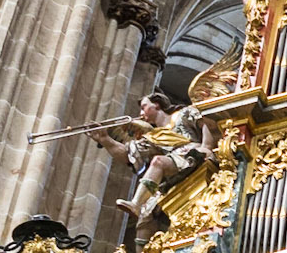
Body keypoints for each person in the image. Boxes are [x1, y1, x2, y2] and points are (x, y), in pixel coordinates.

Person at [89, 91, 217, 223]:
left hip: (191, 154)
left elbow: (206, 121)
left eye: (144, 107)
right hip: (173, 165)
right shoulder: (153, 137)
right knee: (146, 216)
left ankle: (136, 203)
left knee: (158, 162)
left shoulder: (183, 113)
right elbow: (127, 155)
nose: (141, 113)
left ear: (156, 104)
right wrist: (105, 140)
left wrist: (206, 146)